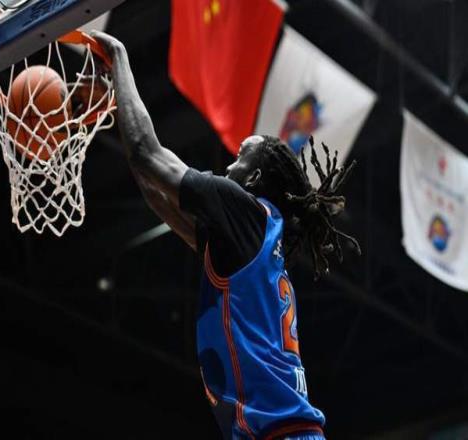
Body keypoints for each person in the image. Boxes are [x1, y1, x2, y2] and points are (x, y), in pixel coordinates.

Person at [92, 30, 360, 440]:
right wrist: (115, 99)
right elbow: (152, 187)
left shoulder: (244, 209)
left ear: (253, 178)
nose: (229, 167)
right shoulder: (249, 241)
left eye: (239, 158)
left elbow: (148, 153)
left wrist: (119, 57)